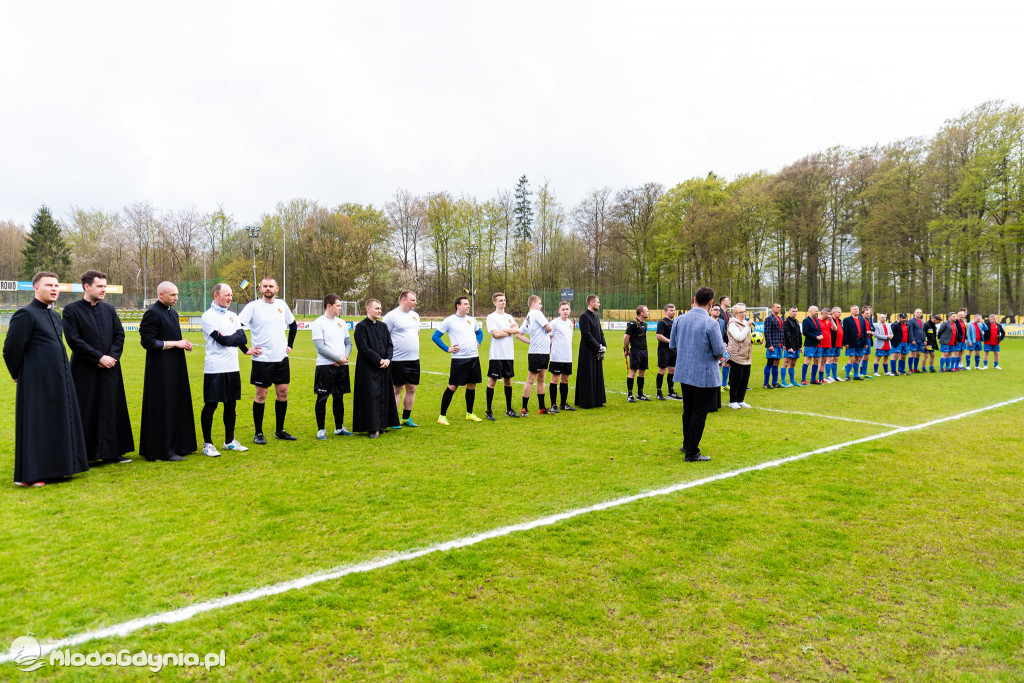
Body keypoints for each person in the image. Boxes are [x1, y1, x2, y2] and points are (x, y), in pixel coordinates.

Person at [3, 271, 89, 486]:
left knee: (57, 423)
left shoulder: (55, 315)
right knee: (37, 426)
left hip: (59, 380)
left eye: (56, 285)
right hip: (36, 382)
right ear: (35, 288)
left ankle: (58, 469)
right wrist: (18, 373)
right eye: (49, 285)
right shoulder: (26, 314)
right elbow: (11, 349)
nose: (54, 289)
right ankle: (31, 476)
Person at [61, 269, 133, 464]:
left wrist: (112, 358)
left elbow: (119, 335)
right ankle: (85, 454)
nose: (103, 290)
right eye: (99, 286)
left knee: (112, 408)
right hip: (85, 369)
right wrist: (99, 358)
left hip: (111, 368)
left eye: (105, 286)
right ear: (87, 286)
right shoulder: (71, 310)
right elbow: (74, 340)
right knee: (86, 409)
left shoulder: (109, 309)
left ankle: (112, 453)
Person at [139, 281, 197, 462]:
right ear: (161, 295)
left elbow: (173, 338)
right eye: (173, 295)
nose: (176, 298)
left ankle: (180, 445)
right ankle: (162, 450)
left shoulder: (173, 313)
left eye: (177, 294)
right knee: (163, 405)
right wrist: (175, 344)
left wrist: (183, 344)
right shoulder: (152, 313)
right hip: (160, 369)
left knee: (177, 403)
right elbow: (147, 342)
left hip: (176, 366)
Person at [199, 283, 259, 456]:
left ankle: (229, 441)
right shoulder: (207, 316)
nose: (230, 298)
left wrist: (231, 339)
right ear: (216, 296)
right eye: (227, 295)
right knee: (211, 405)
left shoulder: (232, 316)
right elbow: (222, 341)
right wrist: (231, 338)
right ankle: (207, 444)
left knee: (231, 405)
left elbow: (242, 338)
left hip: (232, 366)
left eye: (231, 295)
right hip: (215, 367)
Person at [238, 277, 298, 444]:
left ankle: (280, 431)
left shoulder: (282, 305)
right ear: (261, 288)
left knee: (283, 393)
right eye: (265, 286)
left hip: (281, 358)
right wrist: (245, 349)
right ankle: (258, 433)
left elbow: (293, 325)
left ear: (276, 288)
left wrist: (290, 345)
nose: (268, 289)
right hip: (262, 359)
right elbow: (238, 326)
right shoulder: (253, 306)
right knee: (261, 395)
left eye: (271, 286)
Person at [669, 287, 726, 462]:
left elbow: (672, 345)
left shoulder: (679, 320)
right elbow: (718, 351)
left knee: (688, 410)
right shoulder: (711, 323)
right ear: (710, 302)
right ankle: (692, 452)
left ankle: (687, 444)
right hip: (704, 374)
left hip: (685, 372)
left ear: (694, 299)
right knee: (699, 413)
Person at [432, 296, 484, 424]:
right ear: (458, 306)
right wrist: (447, 348)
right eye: (465, 304)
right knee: (453, 386)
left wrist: (479, 341)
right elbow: (435, 336)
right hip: (459, 359)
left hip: (474, 357)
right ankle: (442, 416)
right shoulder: (449, 321)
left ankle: (469, 413)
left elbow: (480, 333)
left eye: (468, 304)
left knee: (472, 386)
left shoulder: (472, 320)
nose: (468, 306)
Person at [352, 299, 399, 437]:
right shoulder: (361, 327)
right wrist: (379, 360)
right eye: (377, 308)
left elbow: (389, 345)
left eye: (380, 308)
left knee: (384, 395)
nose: (380, 311)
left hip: (384, 367)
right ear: (368, 309)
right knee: (371, 397)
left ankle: (382, 424)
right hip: (368, 369)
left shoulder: (383, 326)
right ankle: (372, 427)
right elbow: (363, 348)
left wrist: (388, 359)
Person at [311, 294, 354, 439]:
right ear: (328, 306)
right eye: (338, 306)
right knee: (322, 398)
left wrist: (344, 358)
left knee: (339, 397)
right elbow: (320, 347)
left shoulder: (341, 323)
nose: (340, 308)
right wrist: (338, 359)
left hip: (342, 366)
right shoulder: (318, 323)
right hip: (325, 366)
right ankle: (321, 429)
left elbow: (348, 343)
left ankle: (339, 427)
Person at [382, 290, 421, 428]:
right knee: (396, 389)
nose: (415, 302)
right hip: (397, 360)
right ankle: (393, 420)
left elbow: (417, 334)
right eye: (412, 300)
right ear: (404, 300)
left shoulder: (415, 316)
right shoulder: (391, 316)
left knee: (412, 387)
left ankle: (406, 417)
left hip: (414, 359)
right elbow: (383, 337)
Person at [484, 292, 520, 420]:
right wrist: (509, 331)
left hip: (508, 355)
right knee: (492, 382)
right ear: (495, 302)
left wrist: (504, 331)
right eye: (500, 300)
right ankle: (489, 411)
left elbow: (517, 330)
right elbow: (496, 334)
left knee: (508, 381)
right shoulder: (491, 317)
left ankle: (509, 409)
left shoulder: (509, 317)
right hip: (496, 355)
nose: (503, 302)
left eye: (504, 300)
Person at [516, 295, 554, 414]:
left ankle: (541, 407)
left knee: (541, 379)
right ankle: (524, 408)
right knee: (531, 380)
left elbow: (519, 334)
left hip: (543, 352)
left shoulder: (528, 316)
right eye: (539, 303)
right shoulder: (537, 313)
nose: (541, 306)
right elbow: (549, 328)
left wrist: (530, 341)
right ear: (533, 304)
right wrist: (531, 342)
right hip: (537, 353)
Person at [575, 294, 607, 408]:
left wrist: (604, 345)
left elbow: (600, 332)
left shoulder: (596, 317)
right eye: (597, 302)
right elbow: (586, 335)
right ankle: (586, 402)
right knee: (588, 375)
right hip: (587, 351)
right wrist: (598, 347)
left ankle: (598, 401)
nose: (599, 304)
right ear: (591, 303)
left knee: (597, 374)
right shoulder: (584, 317)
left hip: (597, 350)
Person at [548, 301, 576, 412]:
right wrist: (549, 353)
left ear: (570, 310)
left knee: (565, 379)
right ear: (559, 310)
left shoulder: (570, 323)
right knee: (555, 379)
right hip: (556, 356)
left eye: (567, 309)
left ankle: (563, 404)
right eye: (563, 309)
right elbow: (549, 338)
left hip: (567, 356)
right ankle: (553, 405)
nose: (565, 311)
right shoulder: (554, 323)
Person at [726, 303, 753, 409]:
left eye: (744, 312)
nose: (743, 314)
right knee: (736, 380)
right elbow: (739, 337)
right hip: (736, 355)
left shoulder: (745, 323)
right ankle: (732, 401)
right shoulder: (732, 324)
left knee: (745, 379)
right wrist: (748, 326)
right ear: (735, 314)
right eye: (741, 312)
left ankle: (740, 400)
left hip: (746, 355)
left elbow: (747, 338)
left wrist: (756, 341)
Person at [623, 305, 650, 402]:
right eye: (647, 311)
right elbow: (626, 338)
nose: (648, 312)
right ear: (641, 313)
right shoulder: (633, 323)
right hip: (635, 350)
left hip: (644, 350)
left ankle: (640, 394)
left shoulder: (645, 324)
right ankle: (630, 395)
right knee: (633, 372)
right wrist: (626, 349)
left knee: (642, 372)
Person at [655, 303, 680, 400]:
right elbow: (659, 336)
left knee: (672, 370)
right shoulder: (662, 322)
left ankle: (671, 392)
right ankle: (659, 392)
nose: (673, 312)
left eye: (674, 310)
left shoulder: (675, 322)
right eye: (671, 310)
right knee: (662, 370)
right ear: (666, 311)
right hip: (664, 350)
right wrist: (670, 341)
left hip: (673, 350)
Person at [762, 302, 784, 389]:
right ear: (772, 308)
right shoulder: (769, 319)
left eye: (780, 307)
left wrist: (783, 344)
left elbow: (781, 332)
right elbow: (767, 333)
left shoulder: (780, 318)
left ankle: (774, 382)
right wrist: (769, 345)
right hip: (773, 345)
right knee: (770, 362)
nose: (779, 308)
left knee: (777, 362)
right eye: (777, 307)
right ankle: (766, 384)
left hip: (779, 345)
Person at [841, 305, 865, 381]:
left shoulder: (862, 320)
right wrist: (845, 343)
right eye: (854, 309)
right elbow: (845, 332)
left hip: (860, 342)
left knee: (857, 359)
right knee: (852, 359)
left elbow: (864, 332)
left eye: (857, 309)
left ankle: (856, 375)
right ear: (851, 311)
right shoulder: (847, 320)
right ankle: (847, 376)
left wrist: (865, 343)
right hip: (851, 342)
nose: (856, 310)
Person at [801, 306, 823, 385]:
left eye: (817, 311)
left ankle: (813, 379)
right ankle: (803, 380)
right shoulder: (806, 320)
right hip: (810, 344)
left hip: (817, 344)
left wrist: (821, 335)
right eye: (816, 311)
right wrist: (816, 337)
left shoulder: (816, 320)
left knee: (816, 361)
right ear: (810, 311)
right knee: (808, 360)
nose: (817, 312)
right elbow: (805, 332)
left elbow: (819, 330)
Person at [781, 305, 802, 387]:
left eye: (796, 311)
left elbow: (799, 335)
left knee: (793, 364)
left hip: (796, 347)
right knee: (785, 363)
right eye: (793, 311)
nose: (795, 313)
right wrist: (789, 347)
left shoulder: (796, 321)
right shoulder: (786, 322)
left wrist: (800, 346)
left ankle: (792, 381)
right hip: (790, 347)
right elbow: (786, 335)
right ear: (789, 312)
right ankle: (783, 382)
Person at [817, 308, 834, 383]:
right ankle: (813, 377)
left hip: (827, 344)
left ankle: (821, 378)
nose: (830, 316)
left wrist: (831, 320)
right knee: (816, 361)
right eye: (829, 314)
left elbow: (834, 328)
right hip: (820, 344)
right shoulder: (817, 321)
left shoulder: (828, 321)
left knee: (823, 362)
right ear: (823, 313)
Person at [717, 296, 731, 390]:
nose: (729, 301)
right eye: (728, 300)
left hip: (728, 340)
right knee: (719, 363)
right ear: (722, 302)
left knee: (727, 361)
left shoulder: (728, 314)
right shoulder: (719, 312)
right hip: (721, 340)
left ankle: (724, 384)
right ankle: (717, 384)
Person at [828, 307, 845, 381]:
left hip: (839, 343)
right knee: (829, 359)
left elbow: (841, 331)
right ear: (833, 313)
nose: (840, 314)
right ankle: (828, 376)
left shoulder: (840, 321)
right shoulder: (830, 320)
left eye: (840, 312)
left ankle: (835, 376)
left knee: (836, 359)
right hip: (832, 343)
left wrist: (842, 343)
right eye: (839, 312)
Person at [860, 306, 876, 378]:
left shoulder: (869, 320)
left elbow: (872, 328)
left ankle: (865, 373)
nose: (868, 315)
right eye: (867, 313)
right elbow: (858, 330)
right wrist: (867, 332)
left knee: (867, 357)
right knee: (860, 357)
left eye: (869, 313)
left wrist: (872, 332)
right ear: (862, 314)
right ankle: (860, 372)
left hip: (869, 339)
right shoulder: (860, 320)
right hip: (863, 340)